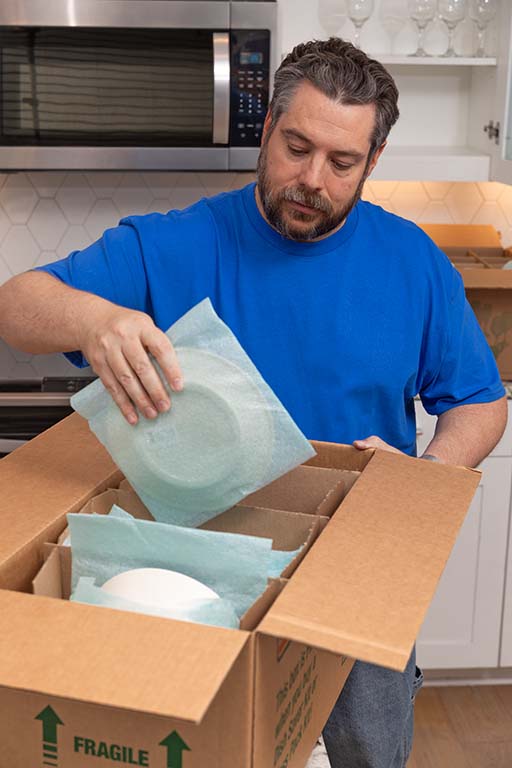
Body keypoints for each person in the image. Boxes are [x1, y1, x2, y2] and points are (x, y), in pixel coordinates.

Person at [0, 38, 507, 768]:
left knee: (369, 754)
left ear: (374, 161)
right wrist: (93, 320)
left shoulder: (412, 262)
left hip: (358, 578)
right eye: (296, 146)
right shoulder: (173, 244)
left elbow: (481, 403)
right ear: (266, 128)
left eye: (341, 163)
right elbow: (17, 304)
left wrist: (430, 468)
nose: (311, 179)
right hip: (193, 570)